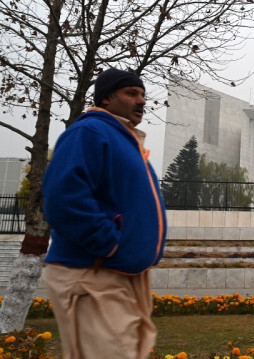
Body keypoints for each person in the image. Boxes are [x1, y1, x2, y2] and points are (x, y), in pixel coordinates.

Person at [42, 68, 167, 359]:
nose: (141, 102)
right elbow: (63, 197)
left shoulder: (126, 141)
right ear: (107, 99)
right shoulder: (90, 132)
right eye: (131, 93)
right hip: (91, 272)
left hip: (121, 274)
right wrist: (108, 242)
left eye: (143, 95)